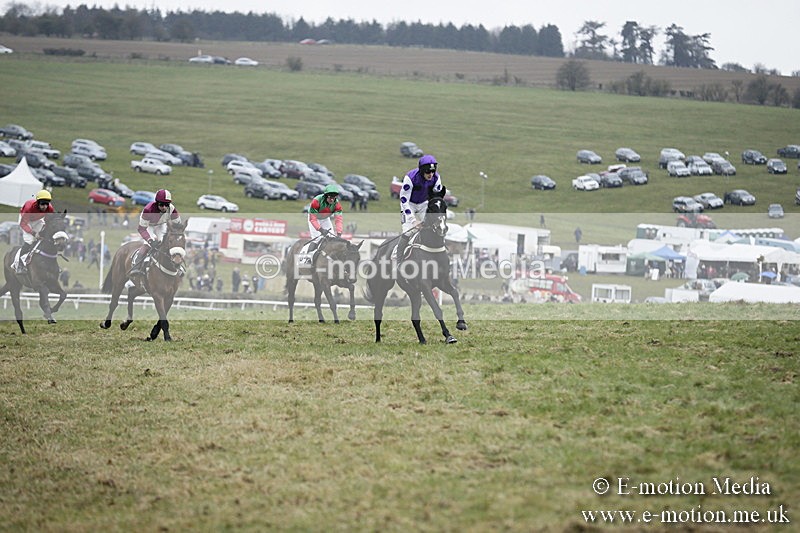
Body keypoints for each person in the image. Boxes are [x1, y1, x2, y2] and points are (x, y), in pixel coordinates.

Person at [128, 189, 182, 284]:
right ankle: (137, 265)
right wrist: (149, 240)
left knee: (165, 243)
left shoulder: (172, 209)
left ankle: (176, 265)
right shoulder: (148, 210)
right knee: (149, 243)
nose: (164, 207)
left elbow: (178, 224)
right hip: (149, 226)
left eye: (167, 205)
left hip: (161, 225)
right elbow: (141, 229)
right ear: (157, 203)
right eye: (161, 205)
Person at [397, 154, 444, 258]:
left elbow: (436, 197)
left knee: (434, 227)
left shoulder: (436, 178)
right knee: (408, 232)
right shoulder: (410, 178)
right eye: (428, 172)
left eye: (432, 171)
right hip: (409, 204)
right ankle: (398, 257)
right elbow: (404, 200)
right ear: (422, 170)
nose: (430, 174)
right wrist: (413, 220)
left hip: (424, 204)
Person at [14, 190, 55, 274]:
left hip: (37, 220)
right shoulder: (29, 207)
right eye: (42, 204)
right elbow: (23, 224)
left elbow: (50, 220)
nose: (45, 207)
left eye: (46, 204)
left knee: (43, 237)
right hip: (25, 221)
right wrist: (33, 233)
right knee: (30, 240)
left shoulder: (50, 208)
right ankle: (20, 265)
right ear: (38, 202)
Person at [299, 184, 343, 262]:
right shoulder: (316, 200)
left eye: (334, 197)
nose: (332, 200)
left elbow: (338, 219)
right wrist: (321, 230)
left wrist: (339, 233)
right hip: (314, 219)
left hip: (325, 219)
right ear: (325, 196)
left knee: (331, 239)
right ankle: (307, 258)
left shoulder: (337, 204)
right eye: (330, 197)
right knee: (317, 240)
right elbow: (313, 219)